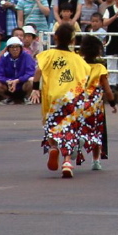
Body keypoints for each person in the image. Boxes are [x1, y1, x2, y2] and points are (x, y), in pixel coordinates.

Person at [29, 24, 92, 178]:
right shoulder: (77, 59)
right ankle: (67, 161)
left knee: (52, 125)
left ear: (55, 37)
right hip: (70, 97)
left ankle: (53, 147)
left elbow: (38, 72)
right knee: (69, 128)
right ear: (72, 41)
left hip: (53, 97)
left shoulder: (47, 55)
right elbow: (86, 78)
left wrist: (35, 88)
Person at [78, 35, 117, 171]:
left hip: (79, 101)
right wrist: (113, 103)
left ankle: (81, 139)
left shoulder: (78, 65)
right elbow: (107, 90)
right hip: (95, 104)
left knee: (80, 126)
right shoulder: (100, 68)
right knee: (97, 131)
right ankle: (96, 160)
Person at [0, 36, 36, 105]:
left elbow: (30, 72)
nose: (15, 49)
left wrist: (18, 80)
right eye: (12, 47)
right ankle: (7, 98)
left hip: (22, 84)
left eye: (17, 47)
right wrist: (7, 81)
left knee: (32, 80)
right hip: (8, 85)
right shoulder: (3, 58)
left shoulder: (27, 57)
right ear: (8, 49)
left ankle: (26, 97)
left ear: (20, 48)